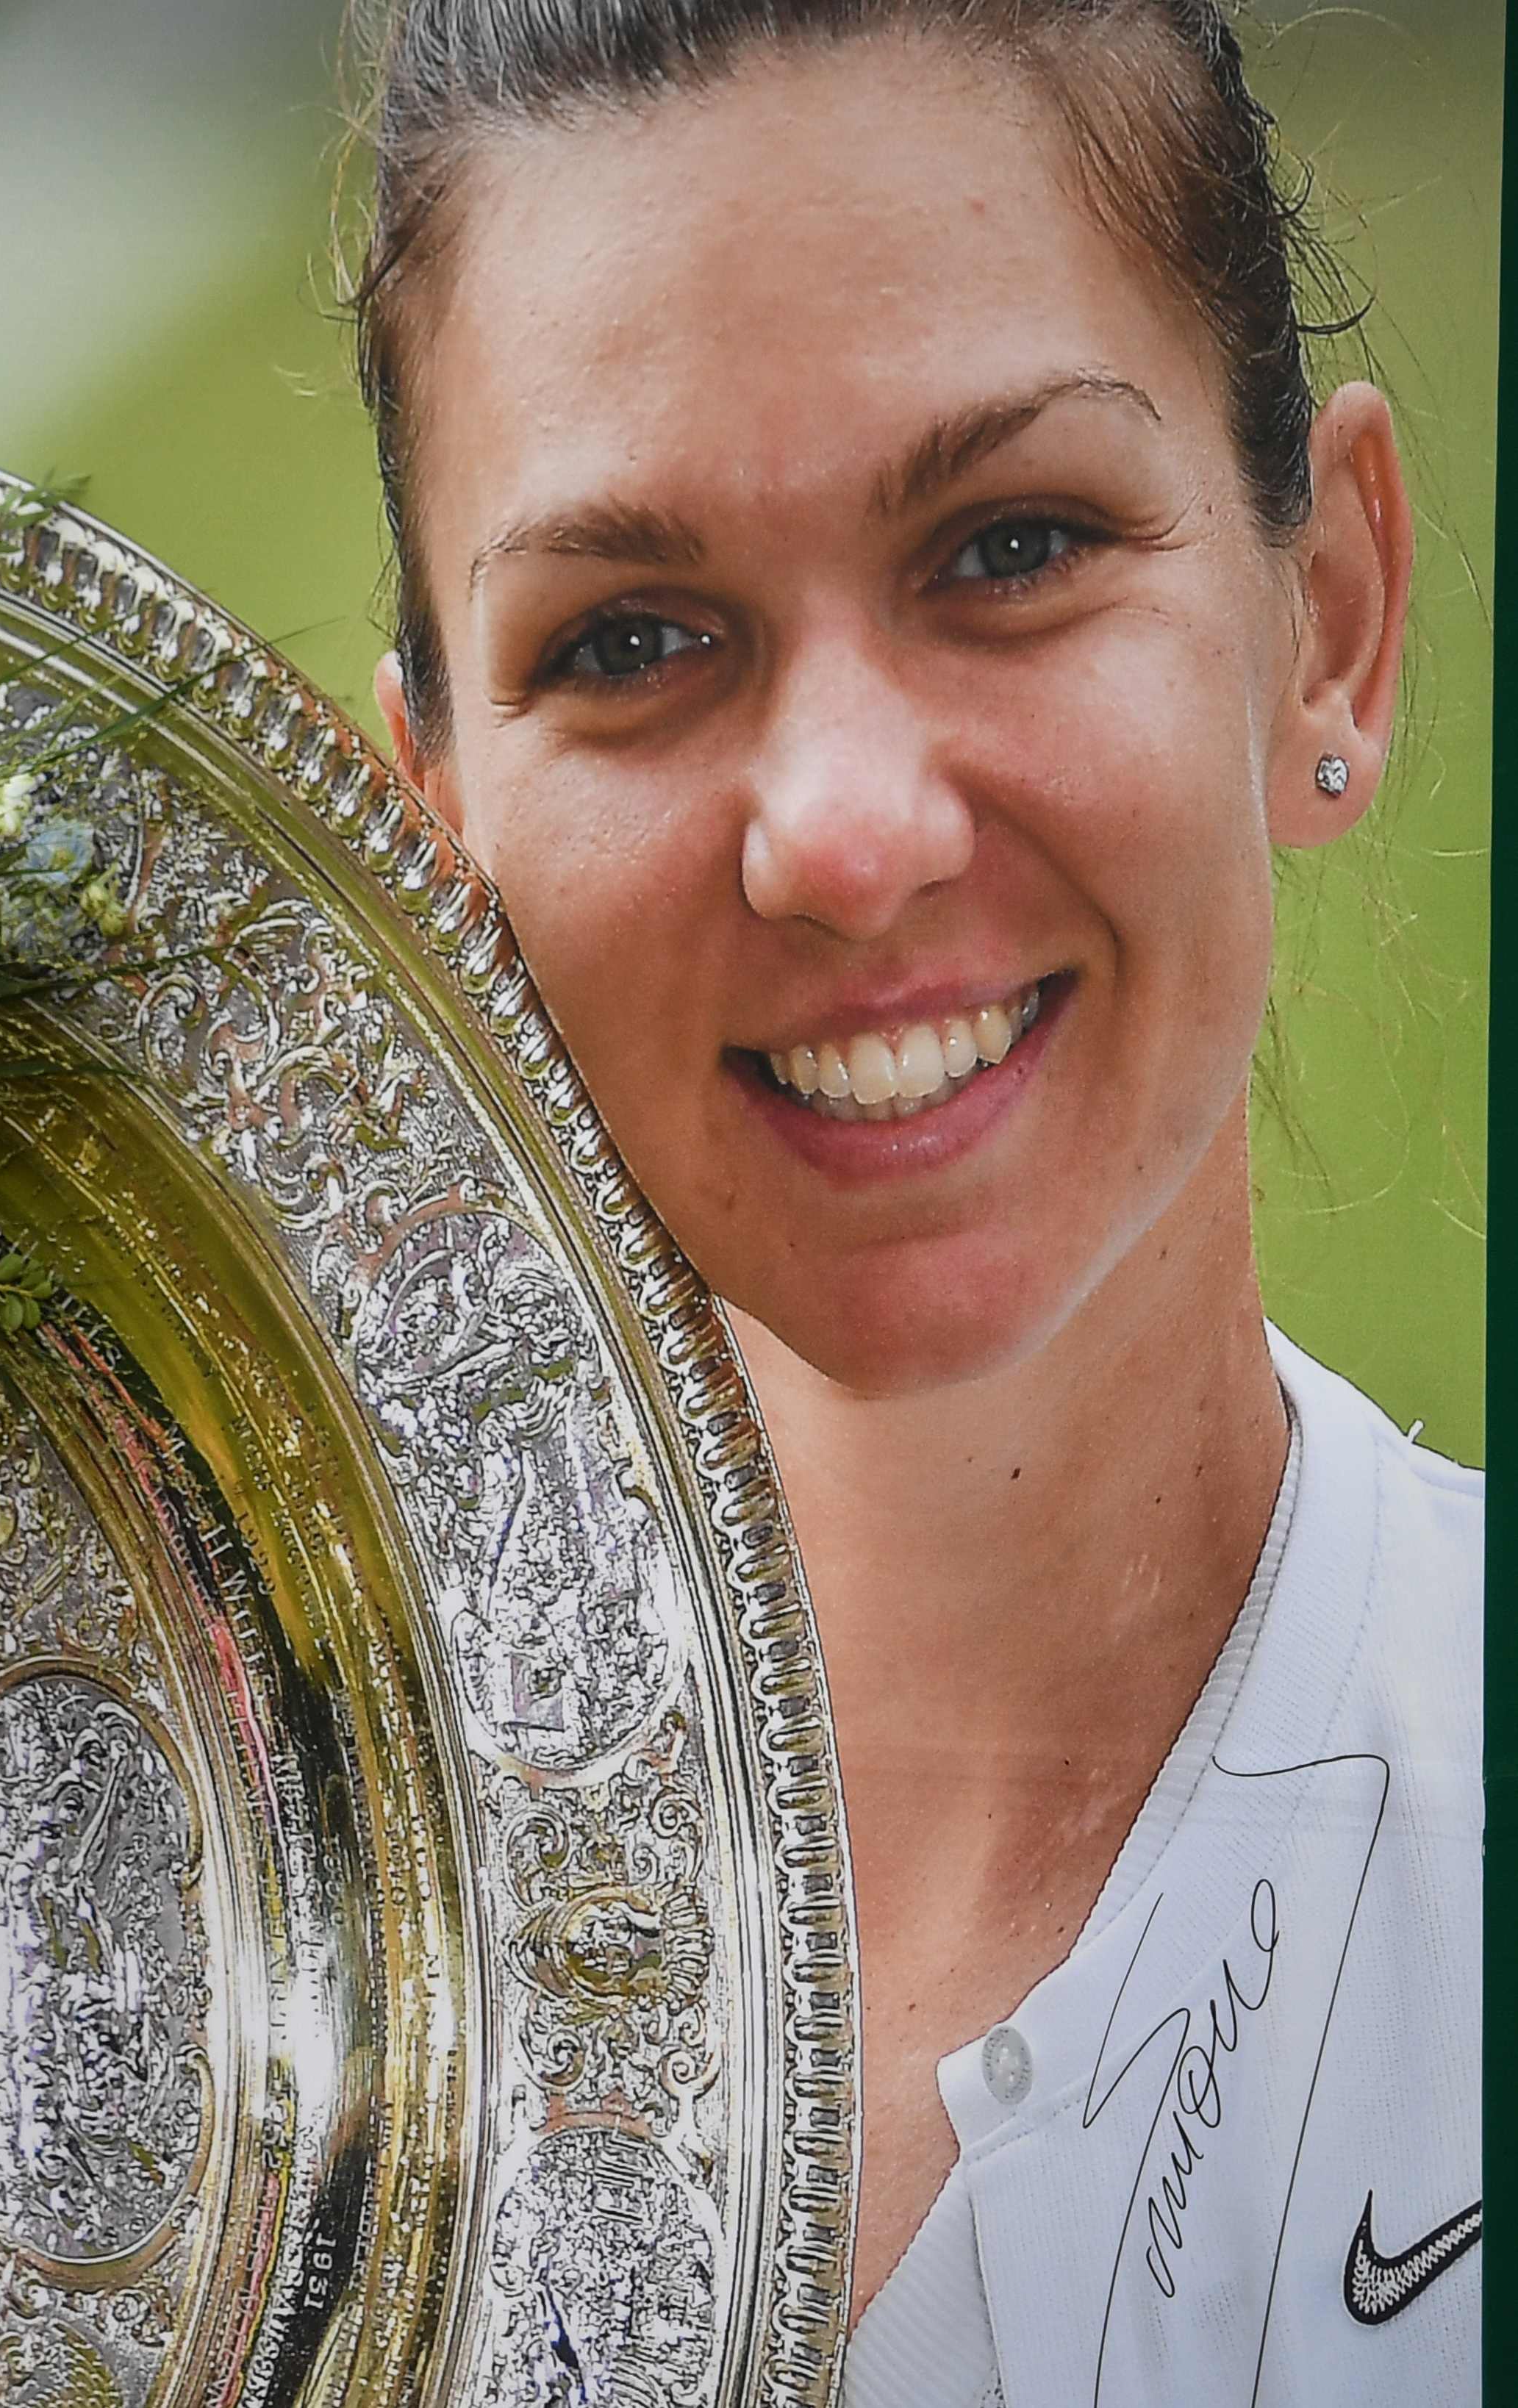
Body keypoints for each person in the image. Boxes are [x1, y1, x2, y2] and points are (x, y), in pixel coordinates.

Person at [340, 2, 1477, 2399]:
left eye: (1014, 545)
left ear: (1330, 620)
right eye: (632, 641)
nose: (844, 831)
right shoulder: (181, 1951)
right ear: (434, 824)